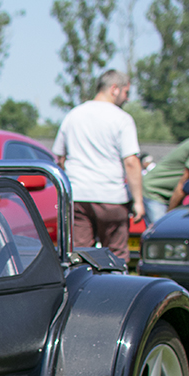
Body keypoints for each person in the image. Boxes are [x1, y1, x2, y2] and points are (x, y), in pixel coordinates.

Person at [52, 69, 144, 262]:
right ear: (114, 89)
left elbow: (59, 158)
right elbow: (131, 162)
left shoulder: (73, 115)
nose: (126, 98)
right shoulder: (121, 119)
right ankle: (117, 291)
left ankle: (79, 291)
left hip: (77, 197)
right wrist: (138, 201)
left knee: (79, 256)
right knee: (115, 256)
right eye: (126, 92)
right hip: (111, 197)